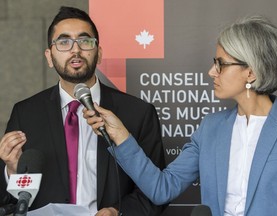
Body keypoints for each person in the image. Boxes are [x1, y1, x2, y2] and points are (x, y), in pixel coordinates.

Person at [83, 15, 277, 216]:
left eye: (221, 64)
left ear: (250, 73)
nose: (211, 71)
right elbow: (162, 189)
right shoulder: (211, 128)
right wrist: (121, 136)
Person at [0, 6, 166, 216]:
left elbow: (156, 192)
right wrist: (12, 171)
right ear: (49, 57)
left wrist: (117, 212)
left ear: (99, 54)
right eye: (64, 42)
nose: (75, 49)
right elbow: (8, 200)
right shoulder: (25, 114)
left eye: (85, 41)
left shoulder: (138, 113)